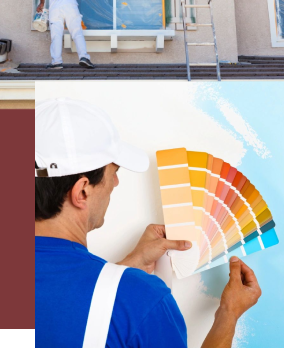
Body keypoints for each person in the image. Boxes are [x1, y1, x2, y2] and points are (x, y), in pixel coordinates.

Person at [35, 98, 262, 348]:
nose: (115, 184)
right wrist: (228, 313)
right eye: (114, 173)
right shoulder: (140, 299)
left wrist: (120, 273)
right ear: (82, 192)